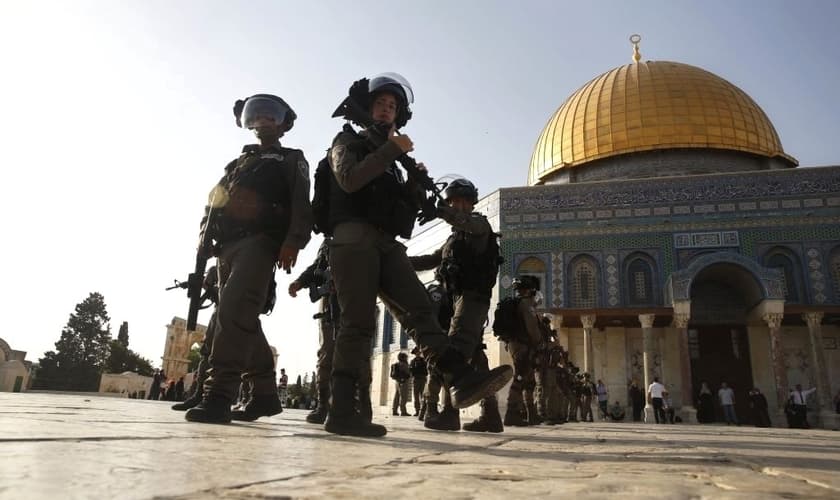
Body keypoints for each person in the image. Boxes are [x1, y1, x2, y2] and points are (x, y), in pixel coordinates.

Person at [322, 73, 512, 437]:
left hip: (387, 243)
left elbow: (407, 218)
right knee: (358, 324)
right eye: (380, 104)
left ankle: (460, 379)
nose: (386, 110)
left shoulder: (395, 161)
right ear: (367, 108)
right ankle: (343, 409)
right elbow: (349, 180)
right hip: (353, 238)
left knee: (420, 311)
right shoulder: (347, 141)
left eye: (392, 106)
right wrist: (393, 152)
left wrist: (411, 182)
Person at [184, 93, 311, 424]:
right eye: (259, 115)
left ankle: (219, 395)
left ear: (282, 123)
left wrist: (293, 242)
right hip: (227, 246)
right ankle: (266, 395)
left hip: (262, 242)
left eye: (271, 116)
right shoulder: (237, 164)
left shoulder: (289, 158)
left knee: (233, 313)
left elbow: (301, 203)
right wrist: (204, 238)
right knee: (241, 318)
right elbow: (212, 205)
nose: (264, 121)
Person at [408, 177, 505, 432]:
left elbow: (464, 221)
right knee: (474, 356)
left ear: (471, 204)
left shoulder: (479, 225)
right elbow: (431, 260)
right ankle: (491, 415)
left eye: (463, 201)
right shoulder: (454, 240)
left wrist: (441, 211)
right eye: (454, 201)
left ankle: (450, 414)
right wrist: (399, 260)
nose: (458, 206)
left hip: (473, 299)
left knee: (454, 354)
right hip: (457, 300)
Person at [288, 240, 335, 424]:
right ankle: (323, 404)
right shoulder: (329, 239)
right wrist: (300, 282)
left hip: (355, 297)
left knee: (355, 352)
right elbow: (318, 266)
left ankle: (356, 403)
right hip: (329, 299)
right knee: (327, 353)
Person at [172, 266, 220, 411]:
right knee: (206, 352)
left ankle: (214, 399)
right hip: (220, 312)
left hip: (233, 312)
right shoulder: (217, 266)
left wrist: (210, 288)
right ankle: (199, 395)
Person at [501, 276, 544, 427]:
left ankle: (530, 413)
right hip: (523, 346)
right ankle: (511, 413)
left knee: (528, 380)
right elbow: (532, 329)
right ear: (530, 290)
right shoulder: (526, 305)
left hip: (518, 345)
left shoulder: (518, 303)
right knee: (520, 377)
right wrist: (540, 344)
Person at [409, 347, 428, 417]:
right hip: (416, 379)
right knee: (416, 396)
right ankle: (417, 411)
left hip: (422, 379)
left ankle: (423, 411)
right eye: (416, 353)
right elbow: (411, 371)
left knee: (423, 396)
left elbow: (426, 370)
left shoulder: (424, 361)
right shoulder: (413, 362)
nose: (418, 354)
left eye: (418, 352)